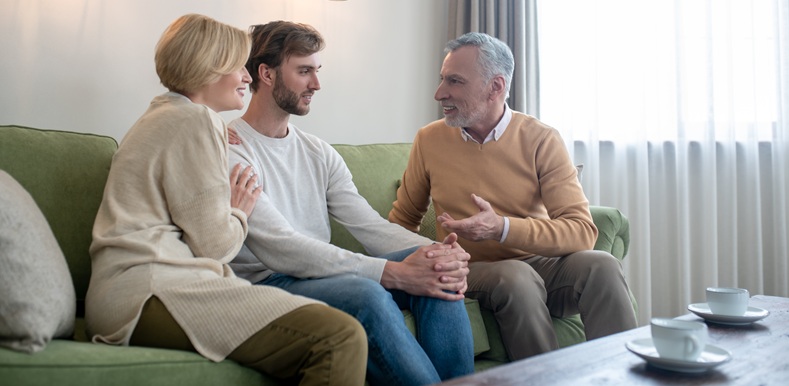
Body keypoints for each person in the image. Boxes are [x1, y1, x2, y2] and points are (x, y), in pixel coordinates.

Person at [85, 14, 367, 385]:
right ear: (209, 67)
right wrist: (238, 210)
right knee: (339, 336)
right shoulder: (194, 121)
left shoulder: (166, 115)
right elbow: (214, 248)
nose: (248, 77)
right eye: (238, 67)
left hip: (125, 293)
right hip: (150, 290)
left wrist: (215, 138)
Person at [225, 21, 475, 386]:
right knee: (366, 293)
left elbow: (369, 226)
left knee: (438, 272)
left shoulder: (318, 152)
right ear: (266, 74)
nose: (316, 84)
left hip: (321, 274)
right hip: (269, 283)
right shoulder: (232, 149)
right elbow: (282, 247)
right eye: (304, 71)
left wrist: (439, 253)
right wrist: (392, 272)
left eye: (317, 71)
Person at [388, 32, 638, 361]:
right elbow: (403, 221)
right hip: (472, 267)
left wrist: (502, 228)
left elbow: (582, 231)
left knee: (601, 265)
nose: (440, 93)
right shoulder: (430, 140)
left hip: (539, 263)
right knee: (516, 276)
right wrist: (411, 266)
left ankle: (623, 374)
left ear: (495, 87)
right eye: (442, 79)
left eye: (455, 81)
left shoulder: (540, 139)